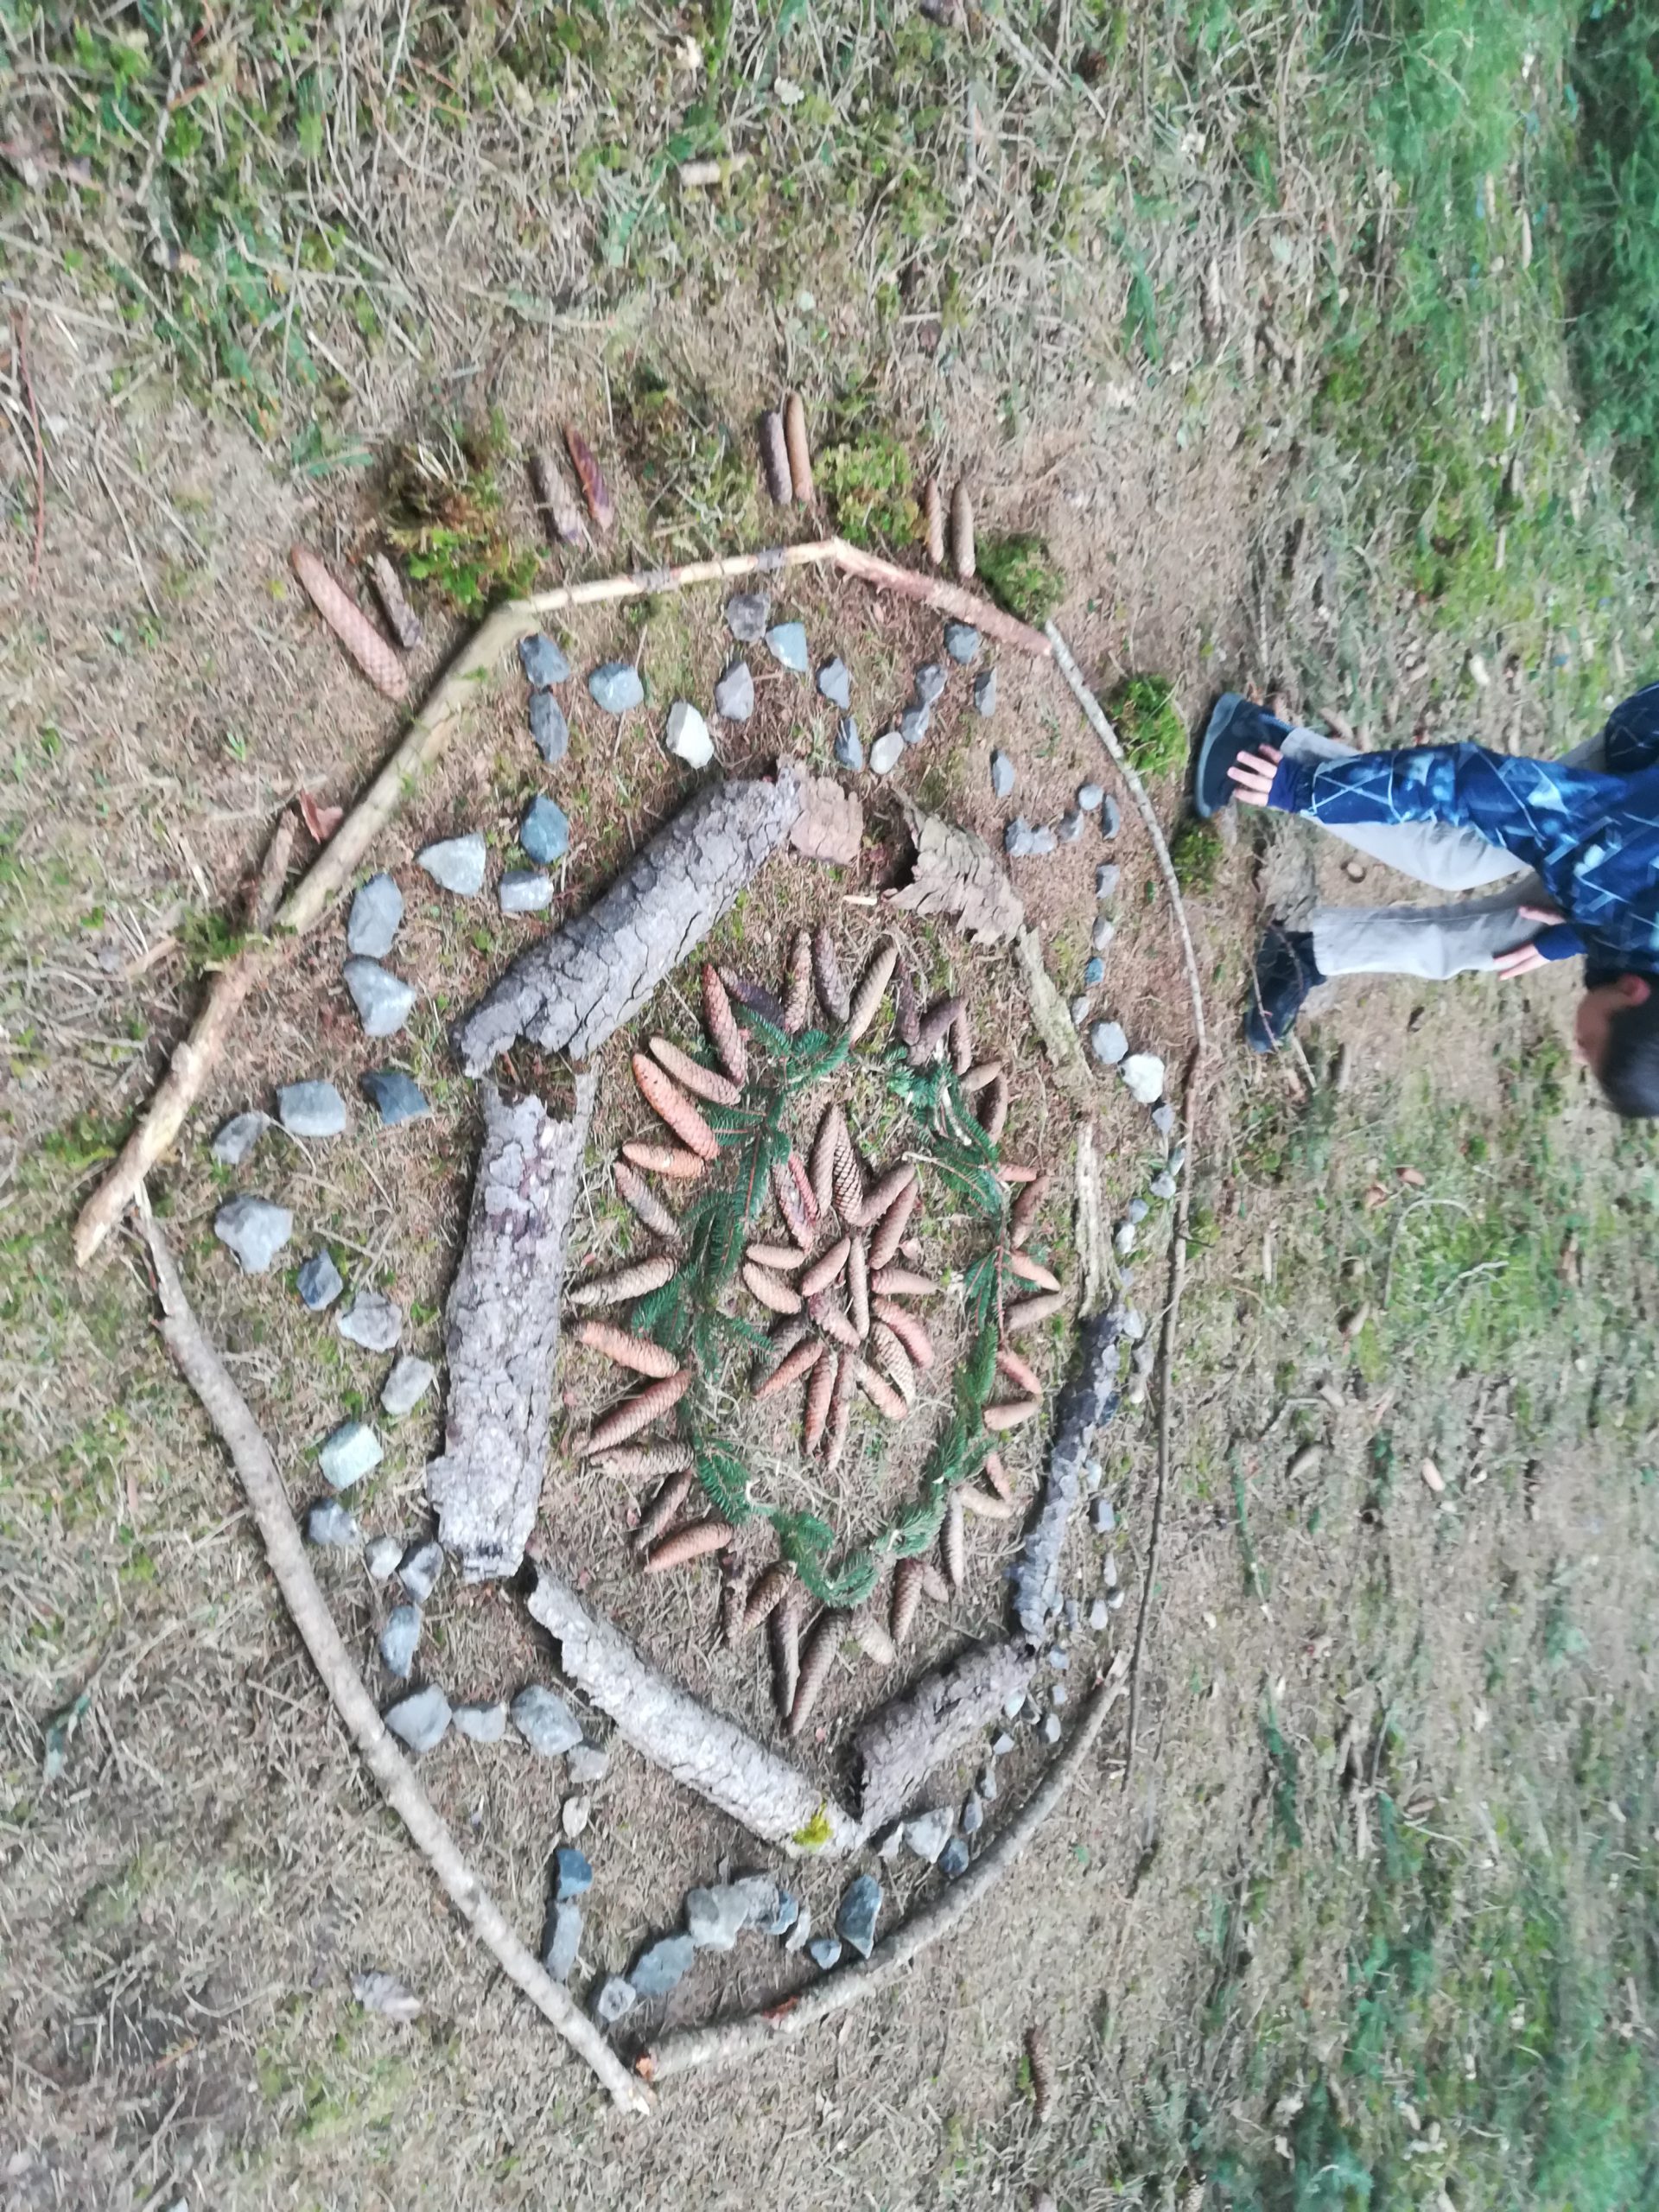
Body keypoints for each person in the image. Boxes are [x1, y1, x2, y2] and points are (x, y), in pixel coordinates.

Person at [1192, 686, 1659, 1116]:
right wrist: (1299, 788)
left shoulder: (1626, 909)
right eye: (1591, 1043)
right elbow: (1463, 782)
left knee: (1506, 944)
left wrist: (1569, 936)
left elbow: (1630, 914)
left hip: (1629, 873)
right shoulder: (1614, 860)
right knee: (1456, 857)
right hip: (1641, 780)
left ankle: (1306, 953)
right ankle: (1259, 745)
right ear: (1633, 991)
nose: (1577, 1051)